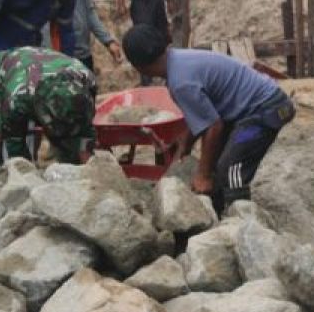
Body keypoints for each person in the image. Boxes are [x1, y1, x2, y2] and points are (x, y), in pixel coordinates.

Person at [122, 24, 295, 211]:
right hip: (246, 109)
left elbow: (213, 126)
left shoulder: (180, 82)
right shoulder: (178, 60)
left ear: (138, 66)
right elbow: (202, 115)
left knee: (230, 168)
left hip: (266, 110)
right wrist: (185, 144)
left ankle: (241, 221)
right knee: (215, 159)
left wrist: (203, 175)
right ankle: (217, 211)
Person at [0, 46, 96, 172]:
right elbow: (15, 142)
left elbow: (85, 128)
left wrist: (86, 160)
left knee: (69, 146)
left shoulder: (87, 79)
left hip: (32, 70)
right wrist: (26, 174)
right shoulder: (19, 96)